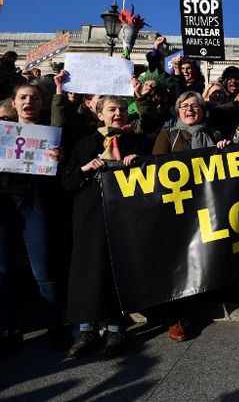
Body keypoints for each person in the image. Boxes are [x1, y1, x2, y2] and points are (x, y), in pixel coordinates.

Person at [63, 95, 143, 358]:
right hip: (89, 217)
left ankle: (115, 327)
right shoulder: (84, 144)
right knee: (87, 271)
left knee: (115, 271)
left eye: (122, 109)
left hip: (122, 217)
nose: (118, 113)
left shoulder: (135, 143)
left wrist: (138, 165)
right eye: (112, 109)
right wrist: (86, 168)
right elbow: (67, 182)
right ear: (100, 114)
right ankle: (85, 329)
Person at [151, 92, 226, 341]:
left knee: (200, 255)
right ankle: (176, 317)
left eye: (195, 106)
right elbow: (155, 166)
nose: (189, 110)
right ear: (177, 111)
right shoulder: (169, 135)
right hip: (177, 205)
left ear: (203, 111)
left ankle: (197, 302)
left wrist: (226, 149)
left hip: (205, 206)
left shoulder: (214, 134)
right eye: (184, 106)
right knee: (177, 262)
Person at [0, 84, 64, 355]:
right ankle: (9, 329)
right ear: (14, 104)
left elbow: (64, 180)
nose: (29, 102)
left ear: (42, 104)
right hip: (4, 206)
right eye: (23, 98)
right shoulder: (2, 134)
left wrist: (58, 161)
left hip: (36, 206)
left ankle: (55, 327)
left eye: (34, 98)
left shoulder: (52, 136)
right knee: (4, 271)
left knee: (43, 270)